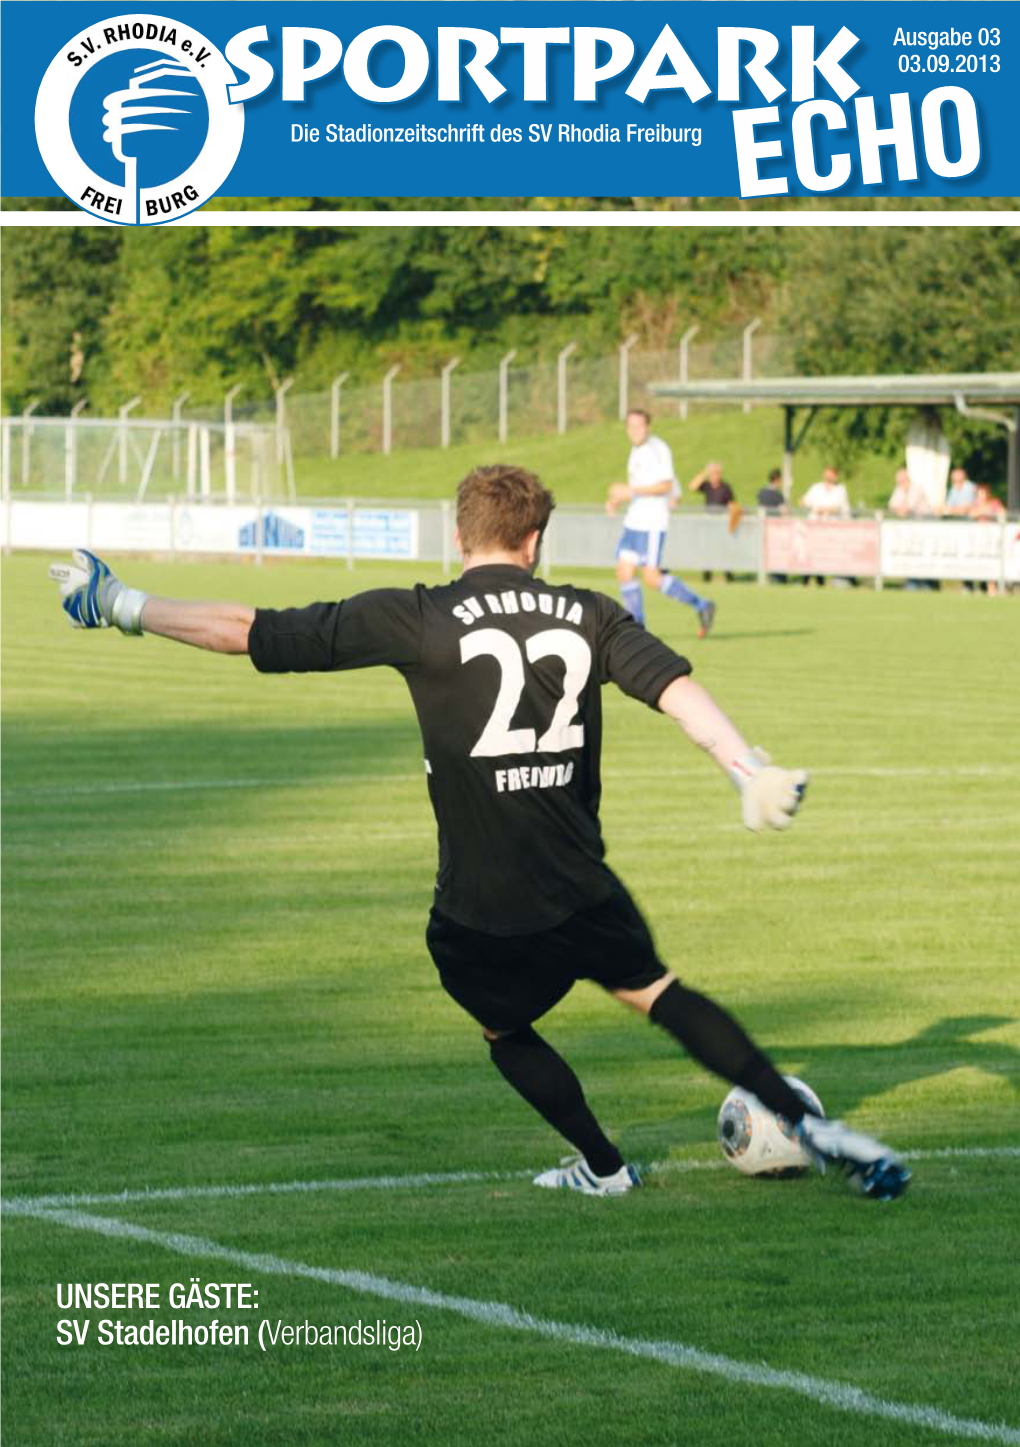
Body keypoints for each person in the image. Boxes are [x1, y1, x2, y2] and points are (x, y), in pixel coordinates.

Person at [48, 465, 910, 1202]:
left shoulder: (416, 615)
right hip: (579, 885)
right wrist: (744, 767)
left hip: (477, 908)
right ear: (535, 539)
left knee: (506, 1032)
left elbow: (244, 631)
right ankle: (807, 1122)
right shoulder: (590, 612)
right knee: (658, 994)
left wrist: (120, 603)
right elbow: (675, 693)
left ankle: (604, 1167)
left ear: (459, 537)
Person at [607, 409, 715, 639]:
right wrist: (617, 500)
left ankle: (702, 605)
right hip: (634, 520)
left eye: (640, 425)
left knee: (652, 577)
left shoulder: (658, 449)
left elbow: (665, 485)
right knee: (624, 572)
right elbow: (639, 488)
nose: (635, 430)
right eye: (631, 426)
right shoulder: (635, 451)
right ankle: (637, 628)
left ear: (648, 426)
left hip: (652, 523)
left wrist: (630, 491)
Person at [800, 467, 851, 586]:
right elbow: (804, 501)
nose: (828, 477)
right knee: (812, 553)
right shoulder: (816, 488)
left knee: (828, 554)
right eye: (826, 474)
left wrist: (821, 509)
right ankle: (810, 579)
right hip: (814, 527)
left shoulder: (840, 490)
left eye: (831, 475)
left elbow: (838, 507)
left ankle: (839, 579)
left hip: (831, 529)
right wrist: (810, 506)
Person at [690, 461, 737, 583]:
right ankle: (707, 575)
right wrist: (705, 472)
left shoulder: (725, 487)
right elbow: (692, 486)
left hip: (721, 522)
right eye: (713, 473)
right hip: (708, 523)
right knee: (707, 549)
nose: (715, 476)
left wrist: (732, 522)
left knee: (724, 549)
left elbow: (732, 504)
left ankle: (729, 575)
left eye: (716, 473)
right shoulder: (706, 486)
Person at [757, 468, 788, 585]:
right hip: (776, 528)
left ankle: (766, 575)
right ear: (777, 479)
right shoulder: (777, 494)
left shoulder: (761, 492)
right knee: (777, 552)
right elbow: (784, 511)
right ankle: (779, 577)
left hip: (763, 527)